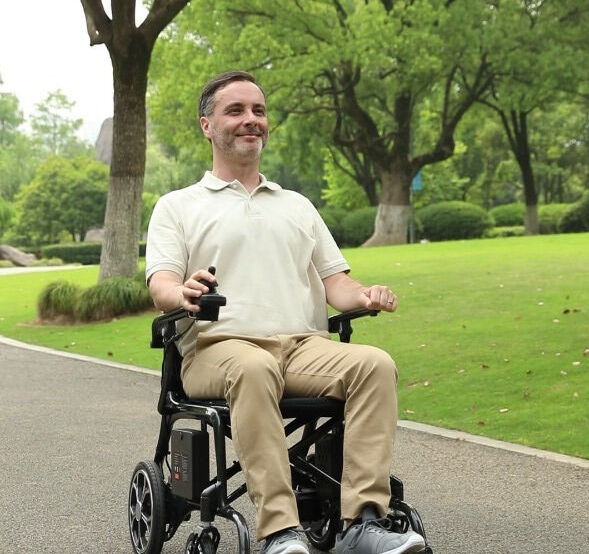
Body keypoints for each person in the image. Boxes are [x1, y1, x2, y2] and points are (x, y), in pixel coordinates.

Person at [145, 71, 426, 554]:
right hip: (218, 349)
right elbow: (161, 285)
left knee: (374, 364)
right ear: (207, 126)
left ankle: (361, 523)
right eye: (235, 111)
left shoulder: (295, 205)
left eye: (258, 110)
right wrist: (182, 292)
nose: (251, 120)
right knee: (254, 368)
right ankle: (280, 530)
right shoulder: (177, 206)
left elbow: (335, 282)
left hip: (302, 348)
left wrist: (364, 296)